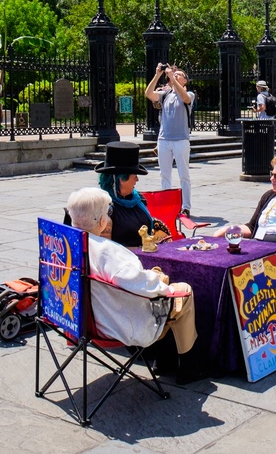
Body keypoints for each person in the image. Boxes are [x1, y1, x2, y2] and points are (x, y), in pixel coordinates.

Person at [65, 187, 196, 354]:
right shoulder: (107, 251)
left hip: (83, 321)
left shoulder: (67, 245)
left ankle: (169, 359)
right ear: (101, 221)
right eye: (108, 212)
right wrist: (163, 283)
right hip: (117, 325)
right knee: (183, 290)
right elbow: (144, 286)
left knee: (159, 282)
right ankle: (189, 362)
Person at [145, 63, 194, 215]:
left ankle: (185, 206)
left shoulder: (189, 94)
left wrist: (173, 78)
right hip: (164, 139)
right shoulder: (165, 94)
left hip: (181, 140)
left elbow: (185, 98)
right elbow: (148, 93)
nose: (176, 75)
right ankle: (167, 204)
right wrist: (157, 74)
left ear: (185, 80)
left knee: (183, 175)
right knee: (164, 174)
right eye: (175, 74)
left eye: (180, 75)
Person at [93, 141, 153, 248]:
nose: (137, 179)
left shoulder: (138, 199)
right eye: (134, 175)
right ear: (122, 179)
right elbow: (105, 248)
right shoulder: (105, 207)